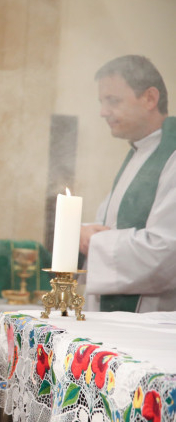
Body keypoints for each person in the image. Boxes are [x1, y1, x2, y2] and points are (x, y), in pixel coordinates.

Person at [79, 54, 176, 313]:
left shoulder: (171, 154)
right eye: (101, 102)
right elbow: (110, 227)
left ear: (150, 98)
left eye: (113, 100)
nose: (103, 112)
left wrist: (92, 241)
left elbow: (167, 252)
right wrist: (82, 234)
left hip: (156, 321)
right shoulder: (138, 154)